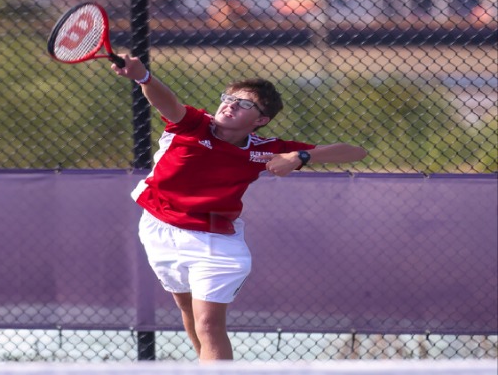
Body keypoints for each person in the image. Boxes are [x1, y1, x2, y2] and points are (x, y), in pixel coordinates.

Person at [111, 54, 367, 361]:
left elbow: (355, 152)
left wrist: (300, 156)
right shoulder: (193, 125)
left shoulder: (265, 149)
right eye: (228, 98)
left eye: (244, 104)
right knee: (188, 311)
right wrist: (143, 77)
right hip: (158, 228)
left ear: (261, 120)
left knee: (209, 323)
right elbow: (167, 103)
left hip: (215, 242)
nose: (230, 105)